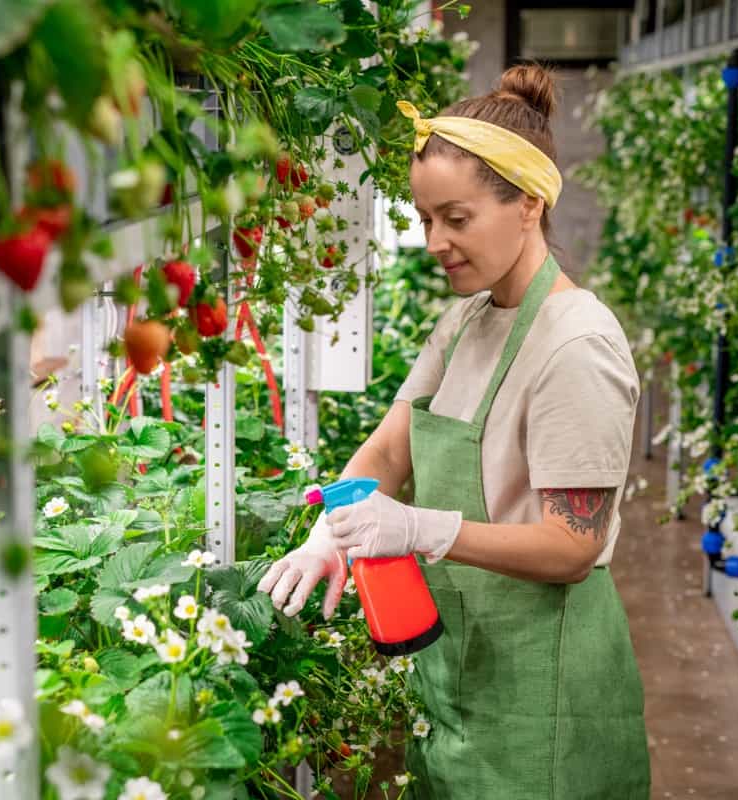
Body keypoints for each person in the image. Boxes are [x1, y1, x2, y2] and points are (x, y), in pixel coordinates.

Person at [257, 64, 651, 799]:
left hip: (545, 697)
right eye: (425, 218)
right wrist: (333, 528)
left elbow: (573, 545)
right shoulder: (465, 320)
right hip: (464, 670)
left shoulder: (575, 346)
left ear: (529, 203)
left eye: (457, 218)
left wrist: (420, 529)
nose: (435, 241)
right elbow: (388, 447)